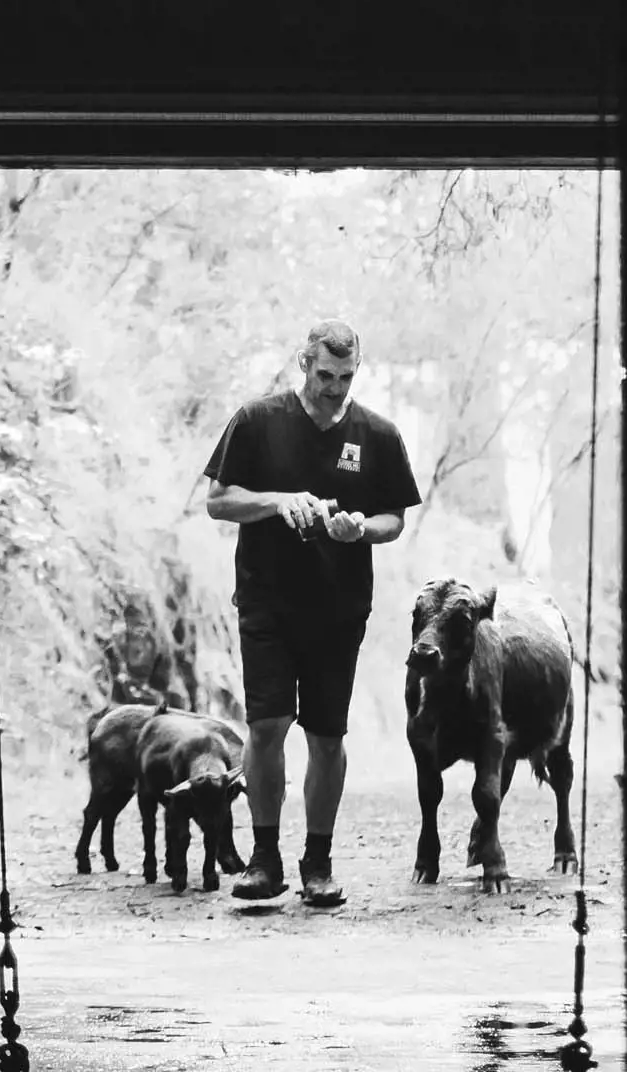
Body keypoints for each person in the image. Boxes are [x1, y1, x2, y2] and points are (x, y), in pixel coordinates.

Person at [200, 318, 420, 906]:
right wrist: (278, 501)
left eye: (346, 377)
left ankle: (317, 861)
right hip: (267, 601)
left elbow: (394, 519)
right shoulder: (256, 421)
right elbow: (218, 502)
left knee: (326, 735)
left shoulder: (378, 434)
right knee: (267, 725)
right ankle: (263, 858)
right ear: (304, 363)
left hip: (338, 608)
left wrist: (359, 529)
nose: (334, 388)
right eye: (325, 375)